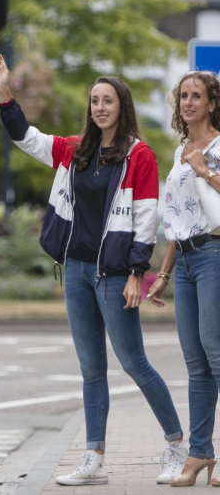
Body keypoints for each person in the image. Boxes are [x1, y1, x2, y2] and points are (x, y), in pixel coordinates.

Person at [0, 54, 185, 486]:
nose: (99, 107)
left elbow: (146, 219)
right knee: (91, 369)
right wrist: (4, 89)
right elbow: (26, 136)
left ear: (122, 107)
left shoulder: (140, 156)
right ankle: (93, 456)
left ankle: (176, 447)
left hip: (115, 275)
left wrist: (137, 273)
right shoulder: (75, 149)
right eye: (94, 100)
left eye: (108, 101)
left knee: (134, 363)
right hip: (76, 270)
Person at [146, 71, 220, 487]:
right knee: (195, 363)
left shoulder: (217, 146)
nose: (188, 102)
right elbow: (175, 219)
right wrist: (164, 273)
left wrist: (206, 170)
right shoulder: (179, 152)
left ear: (211, 103)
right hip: (187, 262)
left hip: (214, 255)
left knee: (216, 355)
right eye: (183, 96)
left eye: (197, 96)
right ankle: (200, 453)